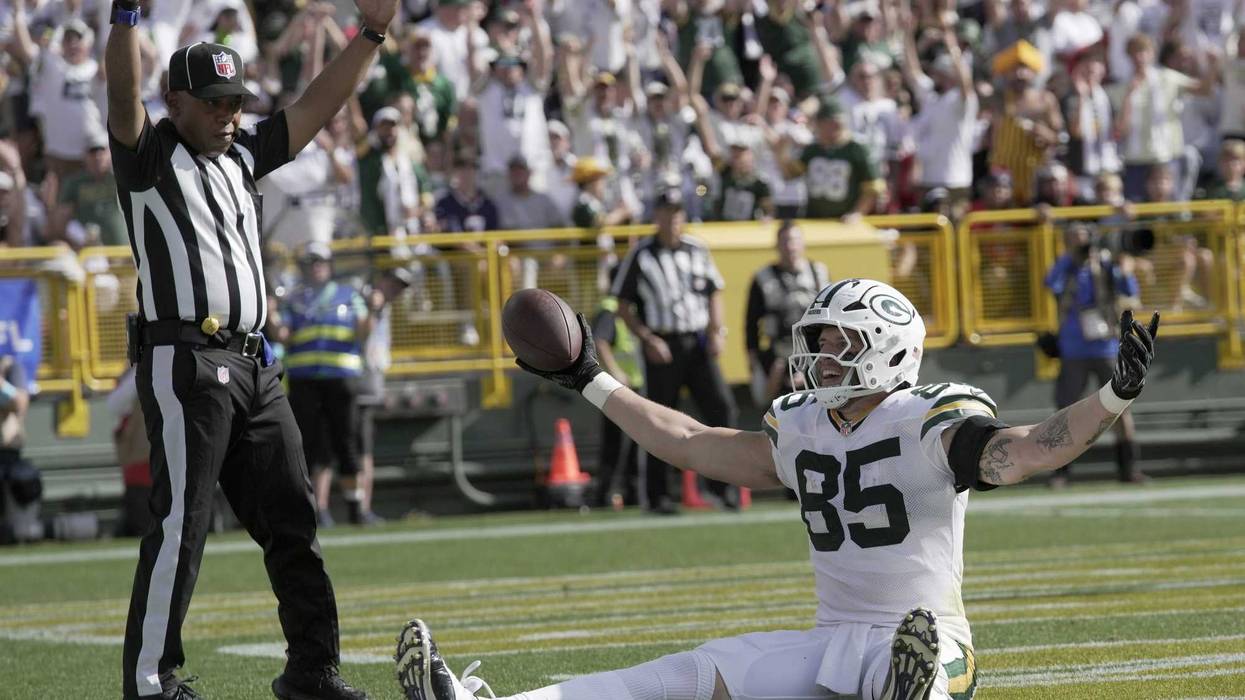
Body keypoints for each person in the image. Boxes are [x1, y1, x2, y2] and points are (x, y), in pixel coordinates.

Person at [395, 280, 1161, 700]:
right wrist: (590, 378)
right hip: (831, 640)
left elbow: (1019, 453)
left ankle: (908, 688)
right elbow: (688, 439)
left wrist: (1109, 402)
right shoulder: (799, 427)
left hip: (925, 636)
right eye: (818, 342)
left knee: (922, 666)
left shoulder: (929, 415)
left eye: (839, 343)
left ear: (887, 350)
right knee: (687, 676)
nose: (821, 356)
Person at [107, 0, 397, 692]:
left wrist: (373, 36)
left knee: (294, 518)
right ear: (174, 101)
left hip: (255, 364)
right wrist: (125, 17)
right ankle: (151, 681)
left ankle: (311, 669)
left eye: (235, 100)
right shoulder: (149, 157)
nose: (227, 114)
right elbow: (120, 94)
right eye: (212, 102)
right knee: (183, 522)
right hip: (186, 359)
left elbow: (318, 103)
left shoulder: (243, 155)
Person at [609, 187, 737, 515]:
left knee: (721, 409)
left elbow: (713, 291)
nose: (673, 220)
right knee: (658, 421)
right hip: (662, 345)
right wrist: (647, 338)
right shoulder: (641, 254)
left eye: (677, 213)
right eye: (667, 213)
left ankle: (723, 487)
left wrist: (716, 331)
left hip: (696, 343)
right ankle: (657, 496)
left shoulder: (697, 249)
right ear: (657, 217)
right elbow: (621, 304)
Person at [270, 243, 376, 527]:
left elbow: (363, 329)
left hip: (342, 378)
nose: (316, 267)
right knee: (311, 447)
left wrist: (374, 310)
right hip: (305, 380)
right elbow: (283, 335)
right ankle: (317, 510)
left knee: (347, 443)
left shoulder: (349, 295)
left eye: (320, 262)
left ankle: (356, 507)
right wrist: (271, 314)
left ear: (330, 266)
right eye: (310, 263)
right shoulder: (295, 299)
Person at [1044, 224, 1146, 488]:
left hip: (1105, 347)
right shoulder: (1065, 267)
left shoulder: (1104, 264)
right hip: (1073, 347)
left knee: (1120, 409)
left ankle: (1129, 468)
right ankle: (1061, 471)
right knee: (1066, 410)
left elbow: (1129, 289)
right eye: (1074, 239)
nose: (1082, 244)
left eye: (1084, 239)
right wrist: (1072, 259)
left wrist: (1120, 265)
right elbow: (1051, 285)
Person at [744, 221, 829, 405]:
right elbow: (751, 322)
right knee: (769, 395)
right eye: (784, 241)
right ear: (776, 245)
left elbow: (832, 315)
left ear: (803, 243)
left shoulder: (818, 273)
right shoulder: (763, 278)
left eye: (794, 240)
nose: (790, 246)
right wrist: (752, 357)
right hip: (779, 350)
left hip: (814, 348)